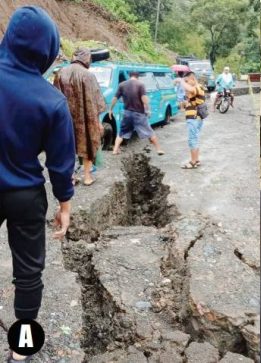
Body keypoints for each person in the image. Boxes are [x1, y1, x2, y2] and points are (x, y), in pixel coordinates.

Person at [0, 6, 75, 362]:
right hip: (24, 195)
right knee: (28, 272)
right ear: (46, 49)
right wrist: (65, 204)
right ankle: (21, 349)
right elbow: (62, 163)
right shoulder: (51, 100)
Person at [53, 47, 107, 186]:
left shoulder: (60, 73)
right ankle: (87, 177)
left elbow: (54, 97)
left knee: (67, 148)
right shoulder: (88, 75)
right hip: (86, 119)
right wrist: (98, 122)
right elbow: (96, 101)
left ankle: (71, 177)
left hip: (65, 119)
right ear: (86, 58)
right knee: (88, 145)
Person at [109, 71, 165, 155]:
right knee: (150, 132)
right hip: (139, 114)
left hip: (127, 113)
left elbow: (115, 98)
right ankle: (158, 149)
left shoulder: (122, 85)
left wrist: (110, 109)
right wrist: (148, 109)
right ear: (138, 76)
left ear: (129, 75)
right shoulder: (140, 84)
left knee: (121, 132)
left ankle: (115, 150)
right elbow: (144, 98)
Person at [181, 71, 207, 169]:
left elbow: (190, 89)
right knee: (194, 138)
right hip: (195, 118)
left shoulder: (197, 87)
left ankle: (193, 162)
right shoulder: (196, 88)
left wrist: (180, 80)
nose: (186, 84)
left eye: (187, 81)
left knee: (192, 139)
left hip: (194, 118)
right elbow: (189, 97)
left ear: (192, 79)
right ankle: (196, 160)